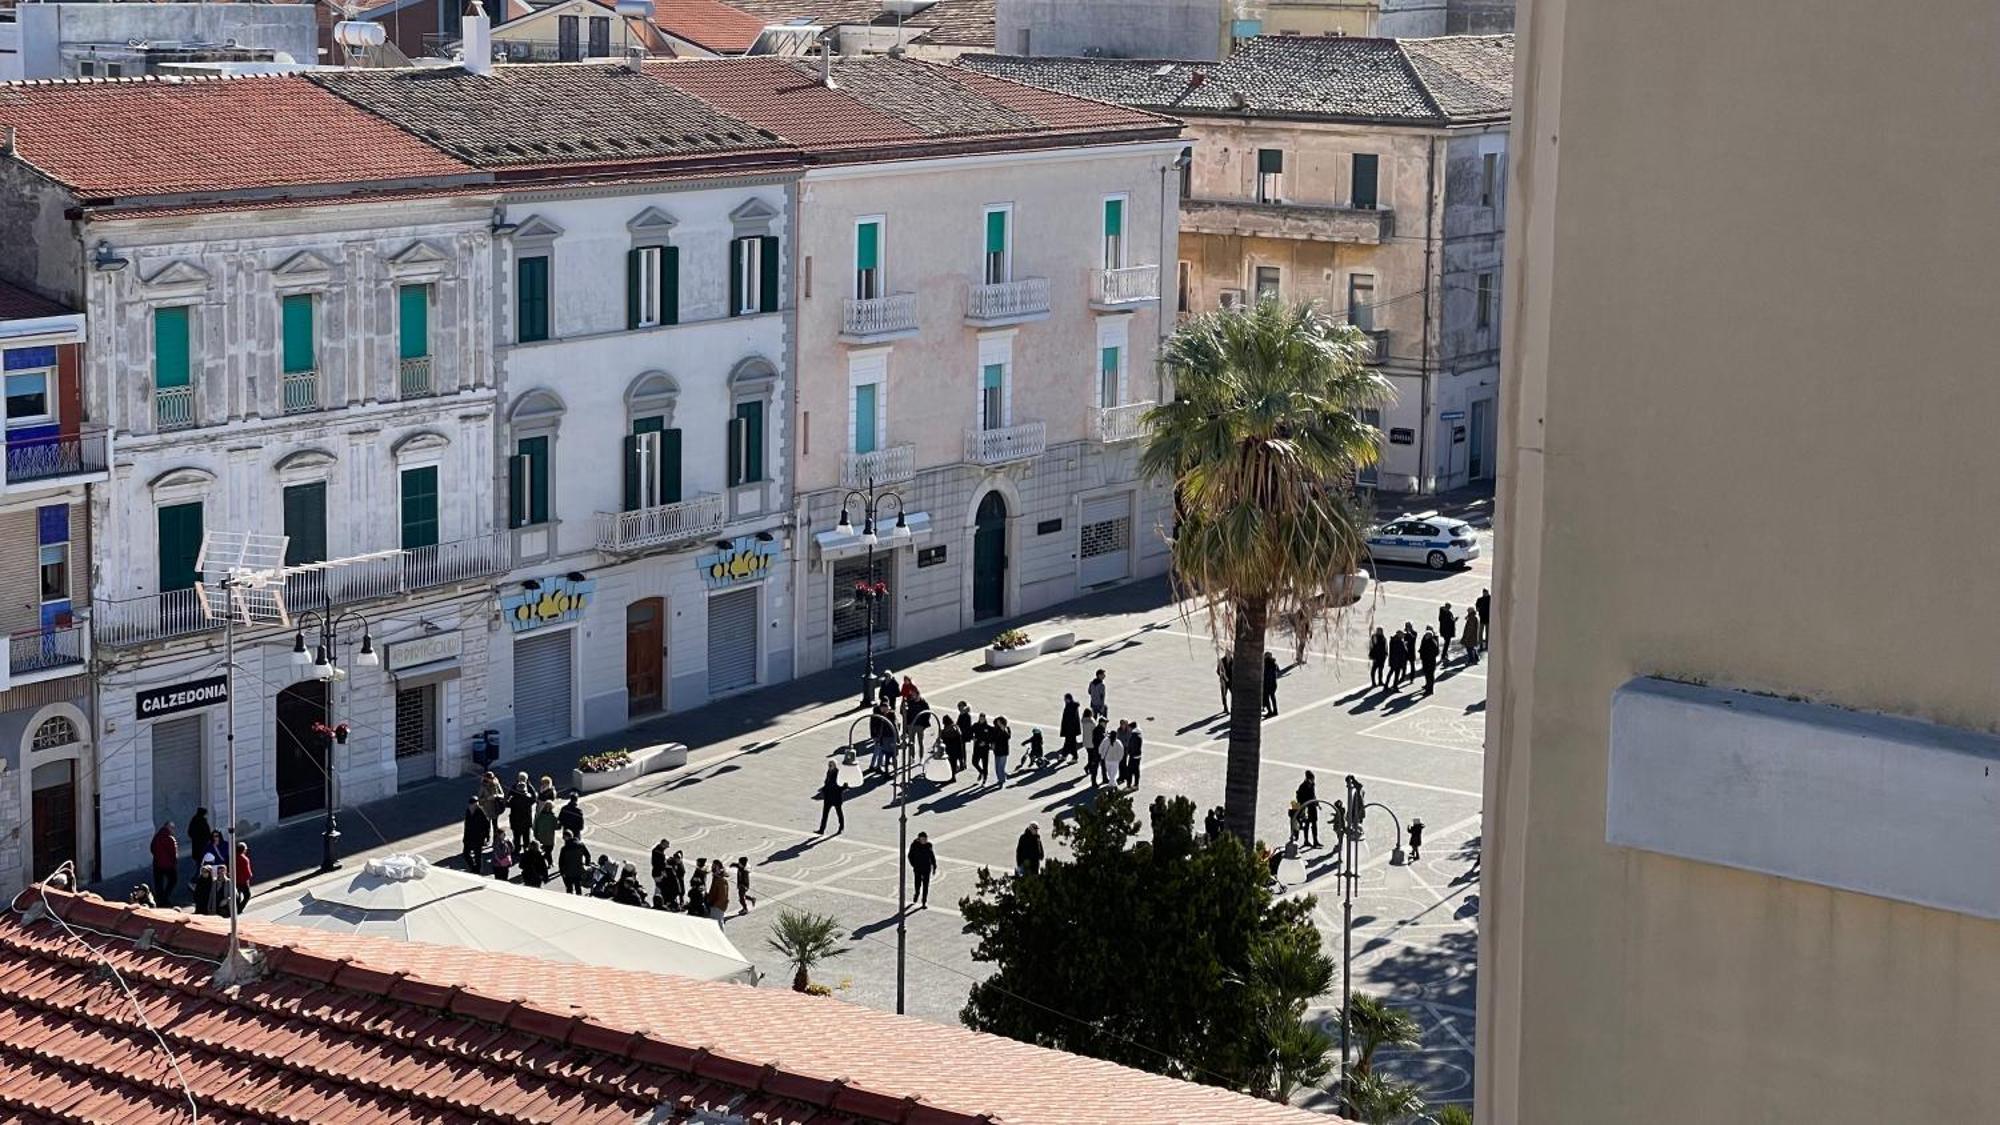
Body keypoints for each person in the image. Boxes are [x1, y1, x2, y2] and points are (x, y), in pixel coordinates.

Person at [150, 821, 179, 906]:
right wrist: (174, 862)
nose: (173, 830)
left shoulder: (157, 836)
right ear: (168, 828)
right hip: (168, 865)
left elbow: (152, 848)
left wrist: (157, 857)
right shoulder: (170, 839)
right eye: (172, 828)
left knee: (159, 882)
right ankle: (165, 897)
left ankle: (160, 899)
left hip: (157, 864)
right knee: (173, 880)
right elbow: (173, 853)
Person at [908, 831, 938, 908]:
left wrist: (934, 866)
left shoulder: (929, 845)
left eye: (925, 839)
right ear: (919, 839)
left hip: (927, 868)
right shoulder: (914, 845)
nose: (924, 840)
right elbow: (910, 856)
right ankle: (916, 893)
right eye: (923, 839)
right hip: (918, 868)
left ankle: (924, 902)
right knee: (917, 884)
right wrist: (913, 864)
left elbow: (932, 856)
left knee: (926, 885)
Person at [462, 797, 490, 874]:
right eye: (471, 804)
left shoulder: (481, 812)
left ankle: (477, 870)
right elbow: (466, 825)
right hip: (468, 836)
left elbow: (487, 825)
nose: (472, 806)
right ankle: (473, 867)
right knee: (465, 854)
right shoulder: (468, 811)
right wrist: (464, 837)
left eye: (474, 804)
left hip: (478, 837)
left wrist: (487, 837)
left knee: (478, 855)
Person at [816, 762, 846, 834]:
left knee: (839, 813)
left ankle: (841, 828)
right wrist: (823, 789)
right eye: (829, 765)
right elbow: (827, 783)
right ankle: (822, 829)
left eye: (831, 765)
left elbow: (843, 785)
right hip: (828, 797)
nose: (829, 767)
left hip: (836, 797)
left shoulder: (839, 773)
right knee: (825, 814)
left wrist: (840, 790)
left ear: (835, 766)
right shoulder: (828, 772)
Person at [508, 773, 535, 850]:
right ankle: (526, 848)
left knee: (517, 837)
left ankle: (517, 849)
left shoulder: (513, 799)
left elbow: (507, 804)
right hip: (526, 820)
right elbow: (534, 799)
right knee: (526, 836)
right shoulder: (528, 797)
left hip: (516, 821)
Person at [1295, 771, 1321, 847]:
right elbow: (1299, 798)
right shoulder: (1302, 786)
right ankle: (1306, 841)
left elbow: (1313, 794)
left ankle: (1315, 841)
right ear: (1307, 778)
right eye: (1312, 779)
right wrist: (1303, 807)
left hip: (1312, 806)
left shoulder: (1312, 784)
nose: (1313, 780)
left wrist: (1317, 803)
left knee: (1314, 824)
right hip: (1306, 807)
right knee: (1307, 824)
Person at [477, 771, 506, 837]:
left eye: (492, 778)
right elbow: (479, 799)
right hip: (486, 809)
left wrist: (496, 796)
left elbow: (502, 794)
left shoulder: (496, 784)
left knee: (495, 825)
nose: (492, 779)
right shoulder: (483, 786)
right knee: (487, 825)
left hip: (495, 808)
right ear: (486, 778)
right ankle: (487, 837)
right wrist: (487, 798)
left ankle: (495, 839)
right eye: (490, 778)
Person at [1098, 724, 1125, 790]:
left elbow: (1100, 748)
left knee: (1110, 773)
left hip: (1107, 759)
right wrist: (1119, 759)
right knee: (1114, 773)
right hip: (1115, 760)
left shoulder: (1105, 740)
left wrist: (1102, 754)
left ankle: (1112, 784)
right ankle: (1113, 785)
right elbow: (1121, 752)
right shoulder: (1118, 742)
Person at [1086, 711, 1108, 785]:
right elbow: (1098, 741)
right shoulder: (1098, 730)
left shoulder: (1102, 729)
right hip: (1097, 751)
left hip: (1102, 751)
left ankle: (1105, 778)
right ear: (1101, 723)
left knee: (1103, 766)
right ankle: (1093, 782)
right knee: (1095, 767)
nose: (1106, 724)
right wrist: (1105, 737)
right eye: (1105, 723)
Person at [1059, 693, 1082, 761]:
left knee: (1070, 744)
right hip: (1072, 729)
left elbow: (1069, 720)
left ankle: (1072, 757)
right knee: (1070, 743)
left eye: (1065, 699)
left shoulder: (1070, 707)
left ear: (1068, 699)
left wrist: (1067, 729)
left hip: (1070, 729)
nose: (1064, 700)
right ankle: (1066, 755)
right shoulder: (1072, 706)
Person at [971, 712, 992, 784]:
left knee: (985, 764)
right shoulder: (975, 725)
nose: (981, 720)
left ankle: (984, 779)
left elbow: (991, 738)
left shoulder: (988, 728)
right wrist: (972, 737)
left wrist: (985, 743)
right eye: (980, 718)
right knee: (974, 762)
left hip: (985, 749)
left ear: (985, 719)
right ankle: (981, 772)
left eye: (983, 718)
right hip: (977, 747)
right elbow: (970, 732)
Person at [1419, 626, 1441, 695]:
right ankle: (1428, 688)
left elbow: (1436, 652)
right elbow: (1422, 648)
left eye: (1427, 635)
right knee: (1427, 675)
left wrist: (1428, 656)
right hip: (1425, 661)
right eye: (1426, 635)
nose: (1426, 636)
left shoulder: (1432, 642)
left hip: (1430, 662)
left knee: (1430, 676)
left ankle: (1430, 690)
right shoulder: (1426, 641)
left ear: (1430, 635)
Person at [992, 716, 1012, 785]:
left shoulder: (1007, 728)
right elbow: (993, 738)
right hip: (997, 751)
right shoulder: (995, 729)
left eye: (1000, 722)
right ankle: (1000, 778)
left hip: (1004, 751)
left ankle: (1002, 780)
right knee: (997, 768)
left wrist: (1004, 730)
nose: (998, 723)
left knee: (1001, 767)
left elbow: (1008, 737)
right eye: (997, 722)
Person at [234, 841, 254, 910]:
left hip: (234, 880)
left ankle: (236, 907)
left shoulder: (232, 857)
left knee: (237, 895)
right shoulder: (245, 859)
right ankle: (240, 908)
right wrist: (249, 877)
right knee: (247, 895)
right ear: (243, 850)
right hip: (243, 881)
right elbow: (247, 873)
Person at [1124, 722, 1145, 788]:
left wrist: (1129, 752)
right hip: (1138, 755)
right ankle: (1136, 784)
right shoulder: (1139, 733)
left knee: (1129, 771)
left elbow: (1131, 746)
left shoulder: (1133, 735)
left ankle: (1128, 785)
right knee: (1136, 771)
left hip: (1133, 755)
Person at [1263, 653, 1281, 717]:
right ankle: (1275, 711)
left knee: (1267, 698)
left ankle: (1270, 711)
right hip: (1273, 684)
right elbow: (1278, 671)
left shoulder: (1265, 664)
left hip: (1267, 684)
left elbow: (1264, 674)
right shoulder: (1274, 664)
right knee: (1273, 697)